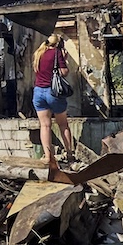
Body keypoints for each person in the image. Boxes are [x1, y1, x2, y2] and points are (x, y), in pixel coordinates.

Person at [31, 33, 72, 179]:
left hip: (38, 92)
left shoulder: (38, 53)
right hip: (52, 92)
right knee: (63, 125)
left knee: (45, 126)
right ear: (58, 44)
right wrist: (65, 60)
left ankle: (48, 156)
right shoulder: (56, 53)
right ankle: (69, 154)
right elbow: (64, 72)